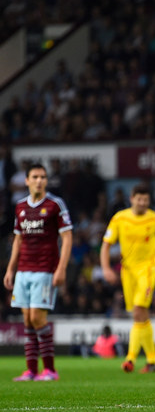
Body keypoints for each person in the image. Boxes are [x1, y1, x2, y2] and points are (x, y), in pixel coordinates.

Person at [100, 184, 155, 374]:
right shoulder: (120, 218)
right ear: (132, 198)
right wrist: (105, 268)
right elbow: (105, 245)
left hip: (148, 269)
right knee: (140, 316)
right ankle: (153, 360)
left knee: (138, 311)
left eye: (146, 199)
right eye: (139, 199)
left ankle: (130, 358)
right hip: (127, 272)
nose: (143, 202)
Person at [3, 163, 73, 381]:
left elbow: (67, 236)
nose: (39, 180)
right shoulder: (20, 206)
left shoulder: (55, 204)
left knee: (37, 318)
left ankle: (50, 370)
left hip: (45, 269)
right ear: (26, 181)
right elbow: (18, 239)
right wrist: (10, 268)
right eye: (35, 177)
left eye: (43, 177)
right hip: (24, 269)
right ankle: (31, 370)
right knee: (27, 321)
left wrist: (61, 268)